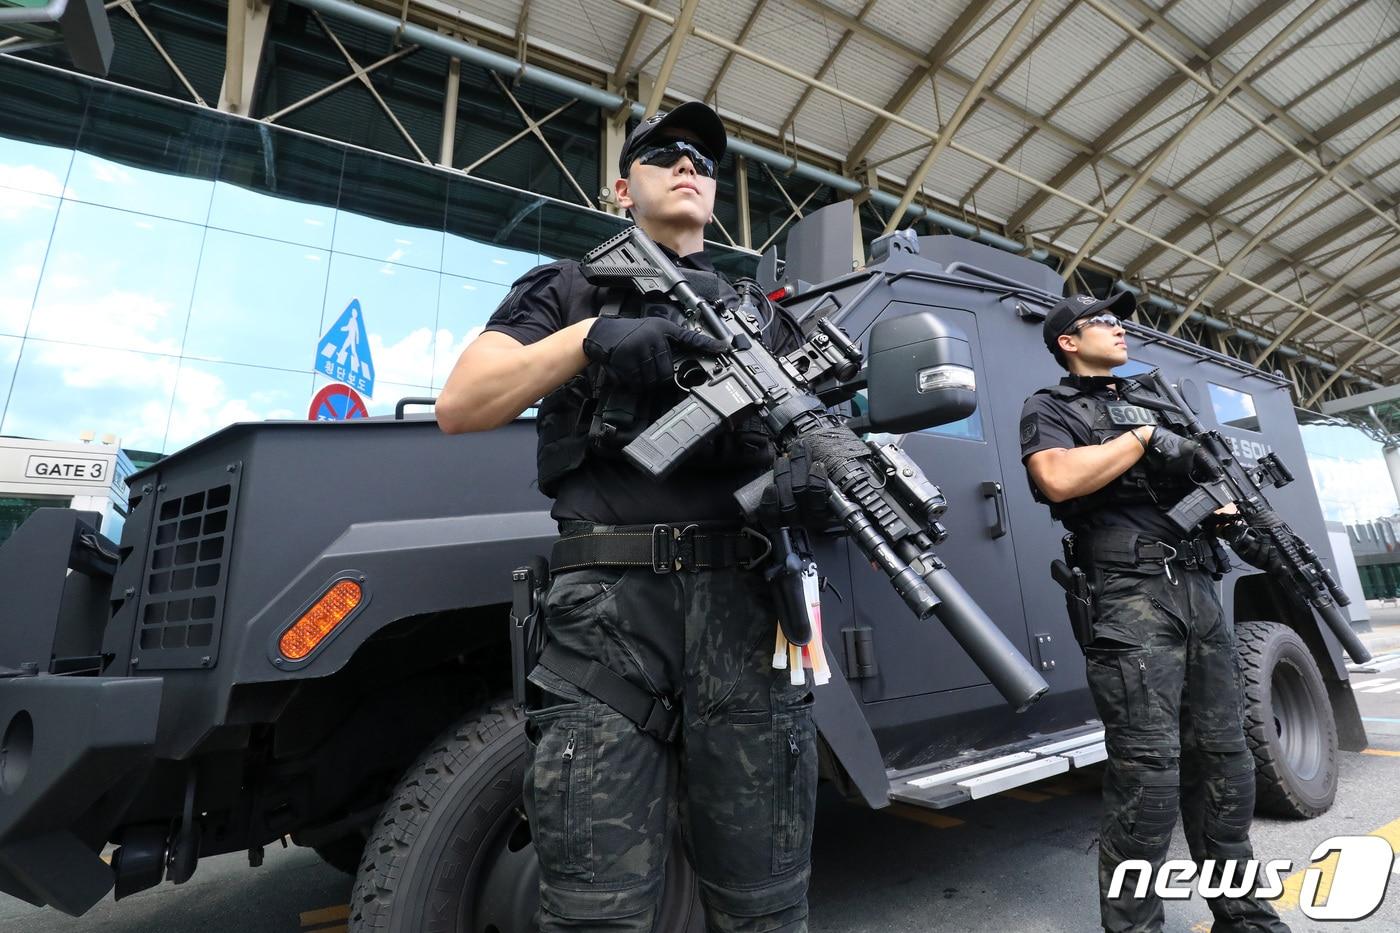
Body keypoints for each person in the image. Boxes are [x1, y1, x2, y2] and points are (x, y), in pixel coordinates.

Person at [436, 101, 823, 932]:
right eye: (665, 153)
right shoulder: (566, 287)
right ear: (622, 187)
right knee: (596, 911)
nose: (690, 165)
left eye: (705, 162)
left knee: (766, 905)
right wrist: (589, 339)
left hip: (747, 618)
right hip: (607, 620)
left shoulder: (765, 317)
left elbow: (820, 434)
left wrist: (812, 483)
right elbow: (464, 402)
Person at [1019, 293, 1290, 933]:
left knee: (1227, 763)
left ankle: (1243, 914)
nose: (1119, 328)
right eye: (1103, 322)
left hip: (1197, 590)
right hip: (1129, 595)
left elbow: (1206, 489)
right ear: (1067, 341)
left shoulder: (1161, 402)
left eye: (1119, 320)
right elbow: (1056, 479)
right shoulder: (1051, 407)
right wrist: (1142, 439)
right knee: (1149, 775)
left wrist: (1220, 498)